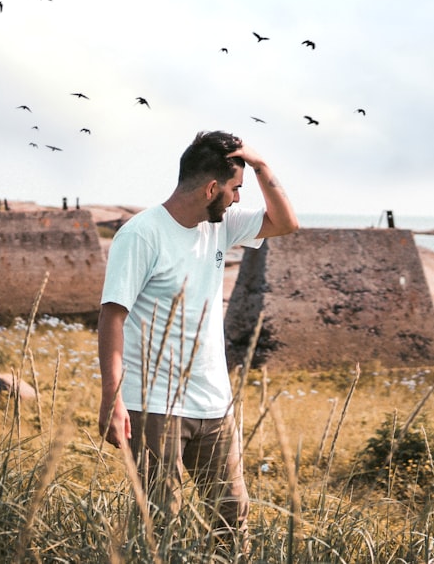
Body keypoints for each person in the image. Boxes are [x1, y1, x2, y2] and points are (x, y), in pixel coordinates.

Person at [98, 130, 298, 553]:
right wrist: (112, 399)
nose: (238, 199)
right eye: (235, 189)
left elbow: (286, 223)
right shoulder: (140, 234)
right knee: (158, 523)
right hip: (153, 405)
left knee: (232, 520)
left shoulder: (220, 227)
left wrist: (260, 167)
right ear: (211, 188)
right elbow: (112, 316)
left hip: (213, 402)